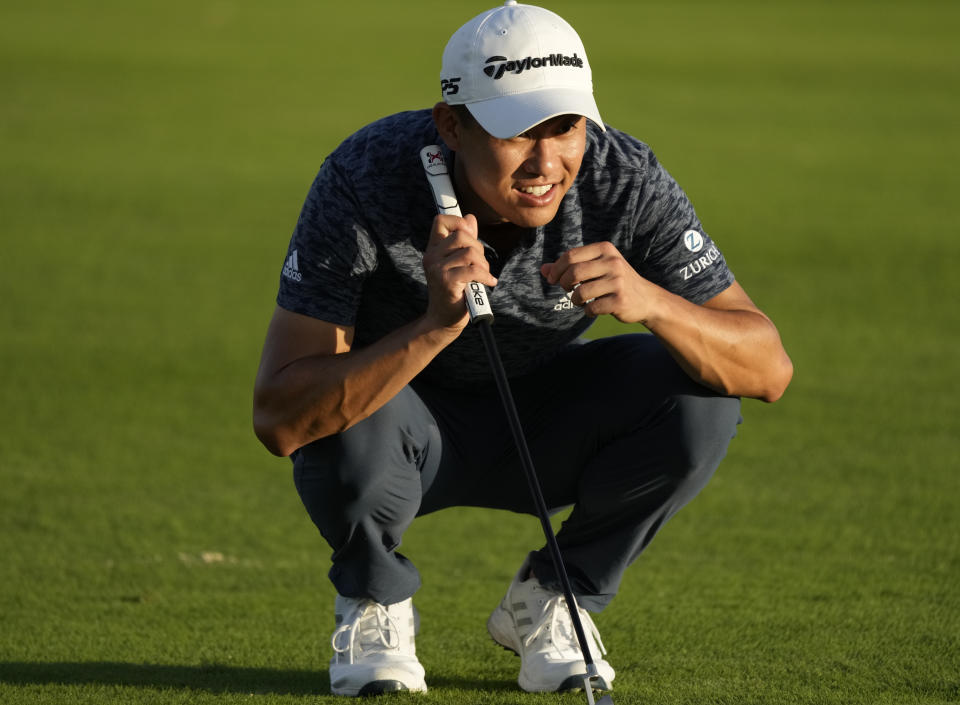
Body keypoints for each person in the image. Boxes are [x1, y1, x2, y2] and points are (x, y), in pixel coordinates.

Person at [253, 0, 793, 697]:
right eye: (517, 133)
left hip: (544, 416)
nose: (547, 161)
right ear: (452, 126)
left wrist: (653, 303)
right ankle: (374, 601)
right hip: (399, 428)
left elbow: (768, 367)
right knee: (343, 413)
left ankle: (553, 597)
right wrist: (433, 326)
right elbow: (281, 415)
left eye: (565, 127)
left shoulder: (620, 176)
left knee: (703, 399)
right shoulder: (366, 178)